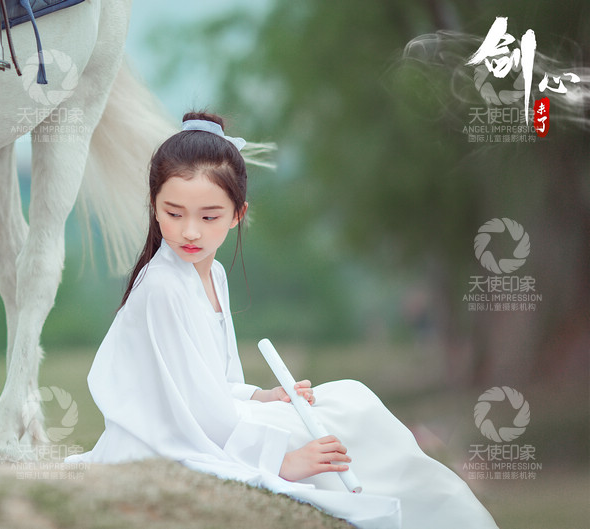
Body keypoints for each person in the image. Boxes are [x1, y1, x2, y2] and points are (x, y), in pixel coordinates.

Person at [65, 112, 498, 529]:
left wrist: (262, 396)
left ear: (238, 214)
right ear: (155, 208)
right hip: (171, 433)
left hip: (215, 420)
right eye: (174, 213)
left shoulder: (211, 273)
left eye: (209, 216)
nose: (190, 231)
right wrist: (279, 461)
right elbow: (189, 409)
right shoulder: (161, 286)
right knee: (341, 427)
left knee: (353, 399)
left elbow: (214, 383)